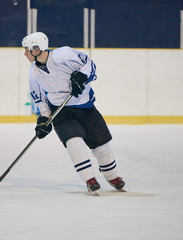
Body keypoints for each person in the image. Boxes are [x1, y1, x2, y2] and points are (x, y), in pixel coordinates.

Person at [22, 32, 125, 195]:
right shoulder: (34, 74)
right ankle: (90, 180)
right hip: (62, 113)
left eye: (27, 50)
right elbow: (40, 100)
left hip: (86, 108)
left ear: (36, 49)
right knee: (74, 142)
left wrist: (82, 76)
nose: (25, 53)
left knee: (101, 145)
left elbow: (89, 64)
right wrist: (44, 119)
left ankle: (112, 176)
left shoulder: (64, 54)